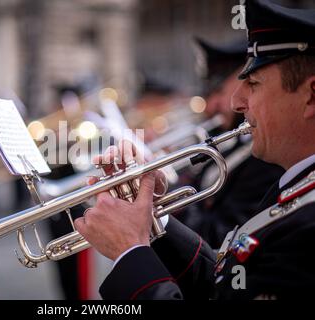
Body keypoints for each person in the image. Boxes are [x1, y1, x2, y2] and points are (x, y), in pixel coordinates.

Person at [74, 0, 315, 299]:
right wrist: (151, 216)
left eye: (253, 83)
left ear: (311, 96)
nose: (235, 103)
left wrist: (131, 253)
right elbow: (226, 283)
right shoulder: (298, 184)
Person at [175, 37, 284, 248]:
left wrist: (165, 215)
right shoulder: (234, 139)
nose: (210, 105)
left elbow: (226, 240)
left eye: (252, 84)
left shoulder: (268, 152)